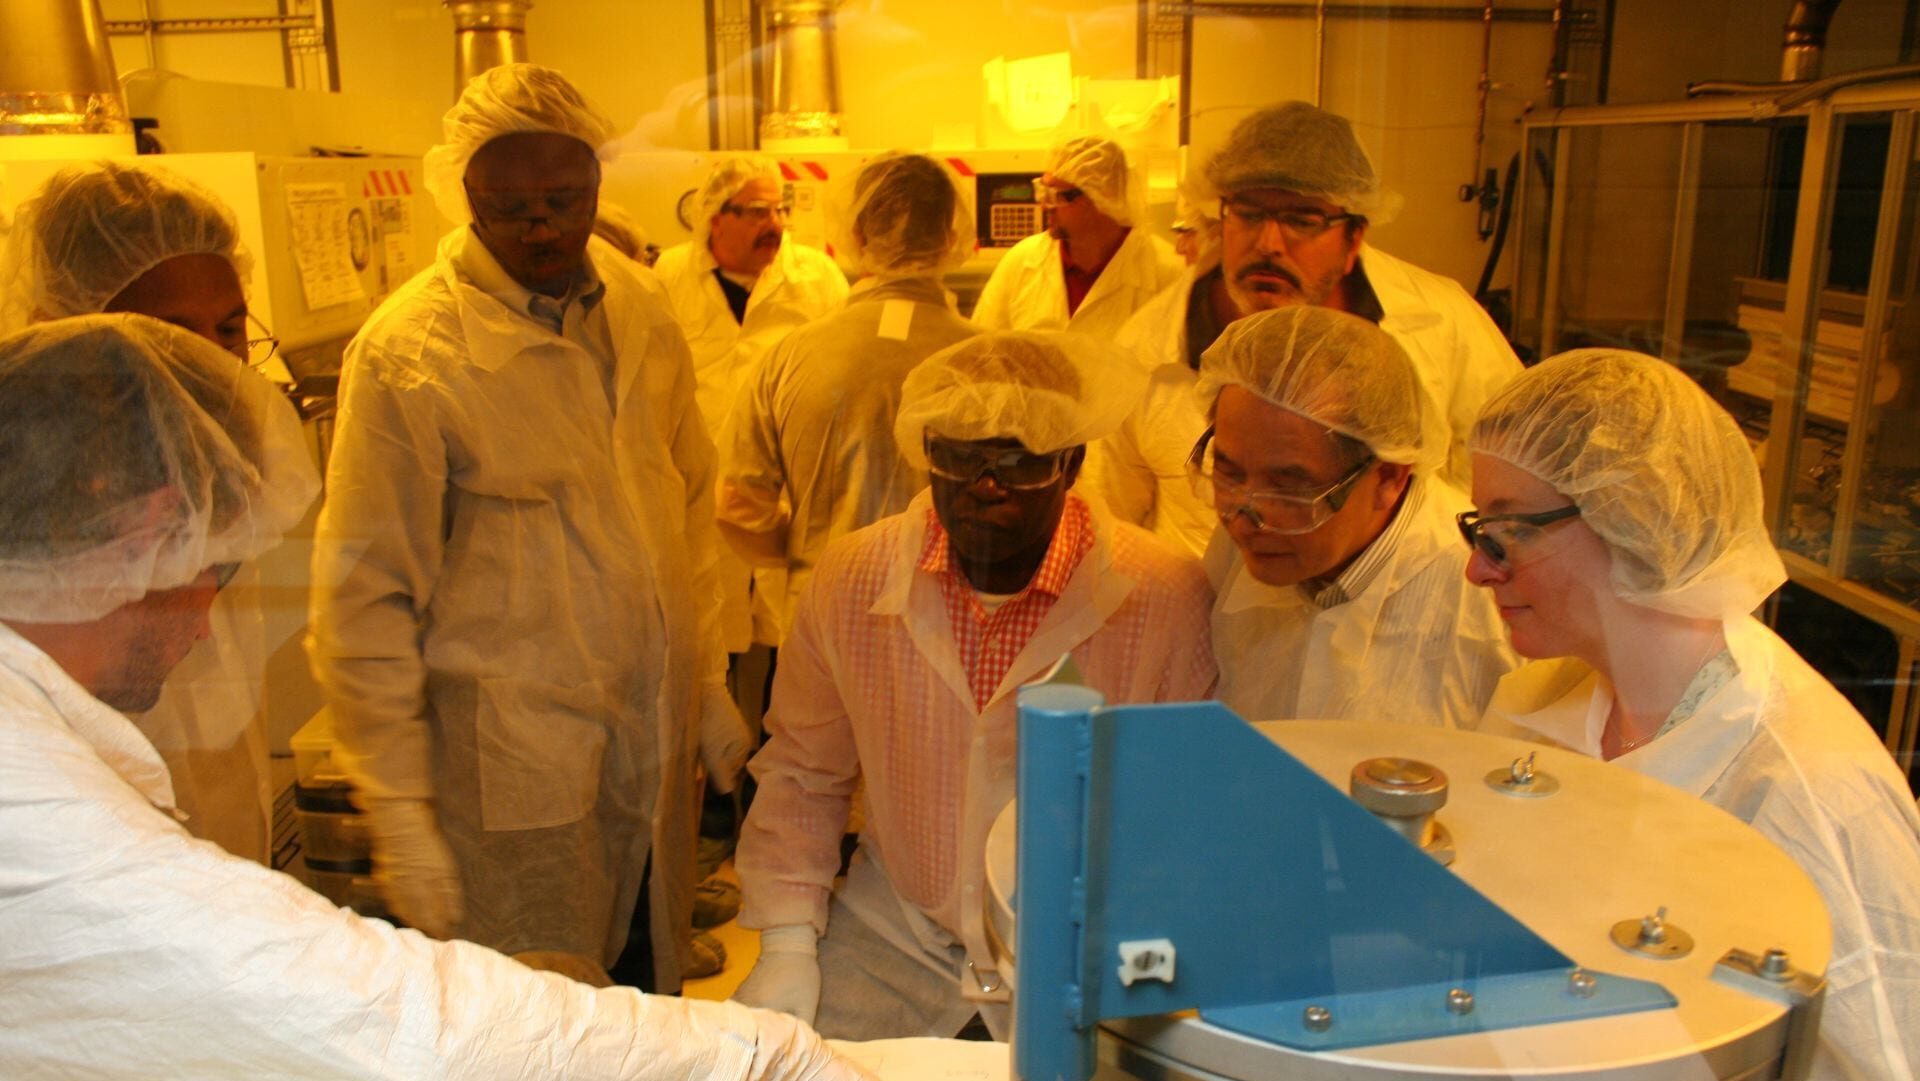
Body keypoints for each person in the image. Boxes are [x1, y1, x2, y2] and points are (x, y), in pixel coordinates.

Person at [0, 315, 870, 1081]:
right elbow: (379, 1016)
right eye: (212, 573)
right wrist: (758, 1055)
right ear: (145, 534)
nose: (205, 628)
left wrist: (702, 679)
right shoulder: (29, 795)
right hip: (503, 770)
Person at [309, 64, 748, 992]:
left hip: (650, 736)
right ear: (460, 193)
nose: (542, 226)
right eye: (510, 206)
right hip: (509, 766)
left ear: (599, 183)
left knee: (641, 995)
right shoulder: (410, 353)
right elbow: (365, 595)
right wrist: (395, 801)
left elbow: (687, 508)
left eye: (564, 196)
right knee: (532, 1020)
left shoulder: (640, 307)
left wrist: (705, 680)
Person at [730, 332, 1217, 1040]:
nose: (986, 486)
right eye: (960, 456)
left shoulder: (1163, 597)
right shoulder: (852, 576)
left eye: (1018, 461)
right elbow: (804, 772)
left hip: (1081, 947)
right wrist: (786, 941)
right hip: (897, 935)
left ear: (1072, 460)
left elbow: (1178, 812)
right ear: (924, 447)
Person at [1465, 349, 1920, 1081]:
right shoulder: (1540, 706)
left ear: (1633, 512)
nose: (1478, 568)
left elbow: (1895, 1055)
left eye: (1505, 532)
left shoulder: (1810, 792)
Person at [0, 161, 282, 864]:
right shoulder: (39, 491)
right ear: (66, 331)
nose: (210, 362)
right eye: (169, 334)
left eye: (228, 327)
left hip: (219, 846)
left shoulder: (229, 463)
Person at [1090, 101, 1521, 556]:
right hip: (1211, 619)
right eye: (1249, 213)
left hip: (1399, 614)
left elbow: (1512, 487)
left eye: (1302, 220)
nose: (1269, 244)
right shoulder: (1147, 348)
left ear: (1353, 238)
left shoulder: (1444, 324)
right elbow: (1114, 529)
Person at [1194, 306, 1514, 726]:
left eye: (1289, 489)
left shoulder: (1488, 595)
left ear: (1388, 477)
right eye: (1228, 472)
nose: (1245, 519)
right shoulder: (1248, 540)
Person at [717, 152, 979, 636]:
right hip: (955, 620)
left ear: (856, 235)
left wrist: (809, 551)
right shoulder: (988, 359)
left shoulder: (787, 357)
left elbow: (738, 506)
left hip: (825, 615)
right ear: (951, 235)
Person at [654, 156, 849, 652]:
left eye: (781, 210)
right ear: (717, 216)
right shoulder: (671, 274)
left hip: (788, 487)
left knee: (796, 640)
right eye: (759, 212)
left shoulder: (816, 276)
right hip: (697, 485)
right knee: (709, 632)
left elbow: (845, 369)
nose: (777, 224)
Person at [970, 136, 1181, 339]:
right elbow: (983, 349)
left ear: (1099, 197)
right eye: (1043, 191)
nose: (1044, 205)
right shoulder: (1021, 261)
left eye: (1057, 196)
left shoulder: (1167, 273)